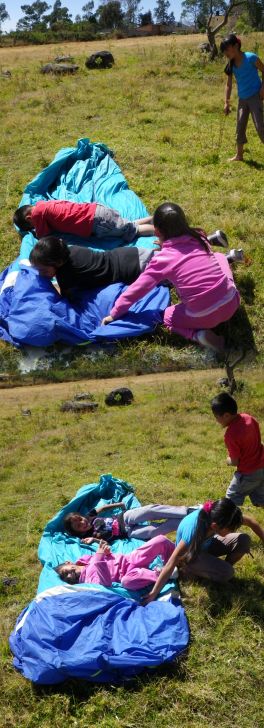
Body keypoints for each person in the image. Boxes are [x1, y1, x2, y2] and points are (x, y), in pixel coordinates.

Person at [102, 203, 240, 354]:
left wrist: (115, 313)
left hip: (203, 317)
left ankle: (198, 335)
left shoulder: (162, 259)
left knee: (167, 317)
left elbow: (138, 289)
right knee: (219, 257)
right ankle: (230, 257)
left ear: (156, 231)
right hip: (231, 303)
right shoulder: (199, 237)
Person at [142, 498, 264, 603]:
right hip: (189, 556)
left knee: (244, 540)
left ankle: (216, 568)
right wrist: (153, 594)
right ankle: (190, 571)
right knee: (228, 573)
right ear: (215, 526)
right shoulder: (194, 530)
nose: (232, 532)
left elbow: (252, 522)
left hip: (206, 546)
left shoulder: (222, 516)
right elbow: (171, 562)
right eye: (231, 529)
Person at [28, 236, 157, 297]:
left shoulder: (65, 274)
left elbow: (65, 296)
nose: (40, 274)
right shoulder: (72, 249)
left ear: (59, 263)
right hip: (130, 252)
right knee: (165, 257)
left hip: (134, 269)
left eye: (43, 270)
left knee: (171, 272)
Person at [55, 534, 175, 590]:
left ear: (69, 562)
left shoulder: (84, 559)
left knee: (160, 540)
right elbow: (106, 583)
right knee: (127, 582)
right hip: (129, 574)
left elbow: (105, 551)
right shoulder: (87, 581)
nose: (70, 575)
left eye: (66, 572)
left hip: (130, 559)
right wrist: (99, 557)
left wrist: (106, 552)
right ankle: (164, 573)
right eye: (66, 577)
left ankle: (176, 557)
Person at [211, 392, 264, 506]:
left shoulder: (231, 434)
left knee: (230, 501)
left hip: (248, 473)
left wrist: (228, 460)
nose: (216, 420)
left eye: (217, 417)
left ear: (226, 415)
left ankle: (231, 522)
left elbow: (235, 461)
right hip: (262, 467)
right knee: (261, 499)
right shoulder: (249, 418)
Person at [13, 200, 155, 241]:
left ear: (29, 218)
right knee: (128, 224)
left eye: (32, 225)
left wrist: (33, 233)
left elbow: (43, 236)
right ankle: (154, 219)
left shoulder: (38, 214)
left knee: (132, 231)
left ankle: (160, 229)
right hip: (97, 210)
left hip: (97, 222)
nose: (34, 226)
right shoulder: (42, 204)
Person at [220, 33, 264, 162]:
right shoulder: (231, 65)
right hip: (242, 99)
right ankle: (239, 155)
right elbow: (228, 85)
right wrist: (226, 102)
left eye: (227, 49)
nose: (225, 53)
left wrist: (263, 88)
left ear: (236, 46)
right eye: (223, 51)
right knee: (240, 127)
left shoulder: (251, 58)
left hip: (255, 96)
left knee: (260, 126)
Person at [63, 502, 197, 542]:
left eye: (80, 519)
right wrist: (94, 541)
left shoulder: (90, 516)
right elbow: (103, 543)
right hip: (128, 533)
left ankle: (188, 511)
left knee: (150, 511)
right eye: (78, 526)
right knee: (155, 531)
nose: (82, 522)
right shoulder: (87, 537)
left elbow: (102, 508)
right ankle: (191, 521)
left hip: (124, 517)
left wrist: (119, 504)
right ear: (77, 532)